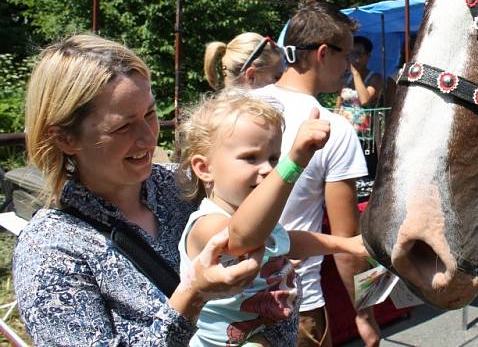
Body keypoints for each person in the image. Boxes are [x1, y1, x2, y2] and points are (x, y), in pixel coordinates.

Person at [14, 34, 263, 345]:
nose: (148, 138)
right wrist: (192, 296)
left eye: (150, 114)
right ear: (65, 138)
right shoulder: (50, 251)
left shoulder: (187, 187)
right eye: (123, 126)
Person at [175, 89, 368, 346]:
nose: (267, 169)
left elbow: (290, 240)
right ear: (204, 168)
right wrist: (293, 163)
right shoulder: (206, 224)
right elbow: (242, 236)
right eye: (250, 158)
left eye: (274, 158)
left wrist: (347, 244)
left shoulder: (260, 223)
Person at [252, 2, 380, 347]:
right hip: (296, 304)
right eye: (347, 56)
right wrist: (364, 314)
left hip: (234, 301)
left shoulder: (242, 107)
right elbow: (347, 241)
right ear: (323, 53)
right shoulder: (333, 129)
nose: (348, 66)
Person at [336, 35, 383, 135]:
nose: (354, 58)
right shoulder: (345, 77)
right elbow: (338, 104)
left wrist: (355, 73)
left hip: (363, 132)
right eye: (351, 53)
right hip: (342, 128)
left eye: (358, 54)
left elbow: (364, 100)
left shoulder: (375, 78)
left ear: (368, 56)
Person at [204, 32, 283, 90]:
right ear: (251, 77)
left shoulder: (220, 110)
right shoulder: (256, 111)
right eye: (277, 78)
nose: (283, 81)